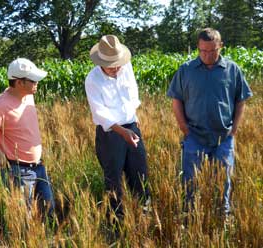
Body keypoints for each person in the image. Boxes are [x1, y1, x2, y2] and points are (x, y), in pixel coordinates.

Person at [167, 28, 253, 215]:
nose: (207, 55)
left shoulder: (232, 69)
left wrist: (235, 129)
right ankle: (191, 217)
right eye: (203, 51)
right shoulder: (186, 70)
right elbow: (176, 100)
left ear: (220, 46)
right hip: (194, 136)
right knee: (191, 182)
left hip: (224, 137)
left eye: (212, 51)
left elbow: (241, 100)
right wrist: (184, 128)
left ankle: (223, 217)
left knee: (224, 182)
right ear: (198, 47)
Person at [0, 58, 55, 218]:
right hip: (18, 171)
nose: (37, 82)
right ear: (19, 82)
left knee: (48, 211)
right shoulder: (0, 107)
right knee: (24, 219)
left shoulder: (28, 96)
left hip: (39, 166)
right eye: (33, 80)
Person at [85, 35, 151, 221]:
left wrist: (134, 118)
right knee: (114, 179)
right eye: (110, 64)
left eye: (118, 63)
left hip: (131, 126)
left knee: (140, 173)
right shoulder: (92, 79)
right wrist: (122, 132)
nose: (116, 68)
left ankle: (143, 216)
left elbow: (132, 94)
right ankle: (117, 222)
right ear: (100, 62)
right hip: (110, 133)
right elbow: (100, 113)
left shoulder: (126, 66)